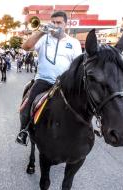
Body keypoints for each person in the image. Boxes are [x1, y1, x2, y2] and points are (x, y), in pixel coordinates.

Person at [16, 11, 82, 146]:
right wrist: (41, 31)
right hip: (43, 81)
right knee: (27, 106)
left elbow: (77, 66)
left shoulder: (74, 42)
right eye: (53, 22)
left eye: (59, 23)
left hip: (65, 84)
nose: (56, 25)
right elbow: (26, 47)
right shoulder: (43, 38)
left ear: (66, 24)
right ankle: (24, 131)